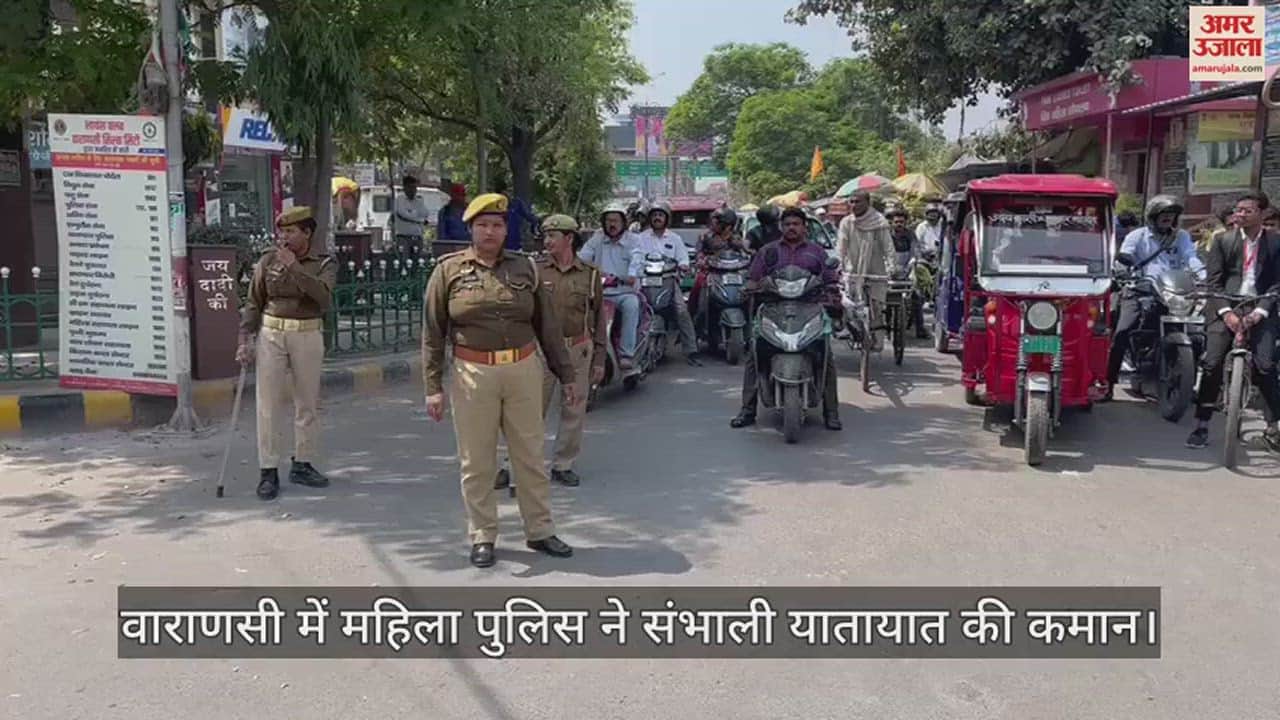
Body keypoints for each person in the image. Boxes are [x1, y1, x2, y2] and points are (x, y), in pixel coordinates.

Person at [422, 193, 577, 568]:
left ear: (506, 230)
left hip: (523, 369)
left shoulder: (526, 269)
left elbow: (548, 327)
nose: (490, 231)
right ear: (470, 228)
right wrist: (432, 388)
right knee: (477, 461)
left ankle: (539, 530)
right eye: (482, 225)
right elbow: (432, 331)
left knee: (530, 455)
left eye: (497, 225)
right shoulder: (448, 270)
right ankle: (482, 534)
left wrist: (566, 374)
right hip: (473, 372)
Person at [237, 206, 337, 501]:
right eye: (282, 231)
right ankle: (268, 470)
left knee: (307, 402)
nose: (285, 237)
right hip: (271, 333)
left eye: (291, 231)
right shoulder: (268, 260)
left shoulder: (324, 263)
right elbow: (254, 300)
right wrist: (245, 337)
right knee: (267, 403)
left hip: (306, 333)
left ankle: (303, 462)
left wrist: (294, 267)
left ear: (307, 233)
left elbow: (323, 298)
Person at [730, 206, 842, 431]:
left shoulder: (817, 252)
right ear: (781, 227)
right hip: (773, 307)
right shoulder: (769, 251)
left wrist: (832, 291)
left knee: (825, 355)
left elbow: (830, 277)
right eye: (787, 224)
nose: (791, 228)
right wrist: (750, 287)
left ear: (804, 227)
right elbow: (754, 277)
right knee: (755, 353)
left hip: (809, 307)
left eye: (796, 224)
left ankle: (831, 412)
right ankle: (747, 409)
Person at [1187, 191, 1280, 451]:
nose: (1240, 214)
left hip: (1261, 305)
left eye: (1247, 210)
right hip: (1225, 303)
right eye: (1238, 210)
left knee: (1266, 365)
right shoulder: (1223, 242)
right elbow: (1213, 282)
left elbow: (1276, 285)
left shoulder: (1275, 243)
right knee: (1212, 363)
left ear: (1262, 213)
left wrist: (1259, 313)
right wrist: (1226, 313)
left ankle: (1274, 426)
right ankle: (1201, 424)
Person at [1105, 195, 1206, 400]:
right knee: (1123, 331)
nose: (1168, 218)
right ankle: (1108, 382)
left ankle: (1187, 384)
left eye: (1171, 215)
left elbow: (1190, 258)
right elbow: (1125, 257)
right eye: (1163, 214)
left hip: (1174, 292)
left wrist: (1203, 276)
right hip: (1140, 289)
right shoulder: (1137, 236)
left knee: (1197, 335)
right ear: (1153, 216)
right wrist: (1124, 270)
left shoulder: (1182, 237)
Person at [532, 215, 606, 486]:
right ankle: (513, 463)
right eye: (545, 235)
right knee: (529, 409)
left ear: (569, 239)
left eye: (553, 236)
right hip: (542, 350)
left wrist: (599, 358)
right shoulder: (536, 270)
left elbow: (598, 319)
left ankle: (563, 463)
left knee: (574, 408)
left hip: (578, 348)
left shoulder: (590, 274)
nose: (547, 241)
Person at [634, 201, 702, 365]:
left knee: (682, 311)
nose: (657, 218)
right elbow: (635, 257)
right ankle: (630, 349)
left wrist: (684, 265)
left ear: (666, 218)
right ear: (650, 218)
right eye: (655, 215)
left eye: (661, 215)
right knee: (633, 308)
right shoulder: (640, 238)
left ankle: (691, 351)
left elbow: (683, 257)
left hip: (668, 280)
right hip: (645, 280)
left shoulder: (675, 238)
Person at [579, 202, 642, 369]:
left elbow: (637, 262)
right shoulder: (597, 239)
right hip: (599, 292)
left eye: (615, 220)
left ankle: (626, 354)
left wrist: (630, 276)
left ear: (623, 222)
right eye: (608, 220)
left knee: (632, 305)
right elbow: (583, 258)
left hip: (624, 292)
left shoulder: (634, 241)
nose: (611, 224)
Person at [837, 190, 898, 351]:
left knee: (877, 307)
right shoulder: (846, 222)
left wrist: (892, 267)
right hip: (853, 271)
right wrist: (839, 265)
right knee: (849, 304)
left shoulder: (879, 221)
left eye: (858, 202)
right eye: (851, 202)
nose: (854, 205)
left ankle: (877, 340)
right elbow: (841, 247)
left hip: (876, 271)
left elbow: (888, 247)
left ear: (867, 202)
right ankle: (852, 331)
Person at [689, 207, 745, 315]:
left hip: (732, 273)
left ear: (728, 225)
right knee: (698, 285)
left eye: (718, 222)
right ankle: (693, 315)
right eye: (714, 221)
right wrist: (701, 260)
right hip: (711, 272)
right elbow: (699, 252)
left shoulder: (736, 238)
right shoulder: (705, 236)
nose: (714, 224)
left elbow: (743, 254)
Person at [886, 207, 927, 339]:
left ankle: (920, 329)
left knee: (917, 297)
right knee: (882, 297)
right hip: (889, 269)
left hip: (907, 268)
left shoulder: (910, 235)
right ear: (892, 222)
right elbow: (883, 253)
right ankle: (884, 326)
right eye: (896, 221)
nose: (899, 224)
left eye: (902, 222)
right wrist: (889, 266)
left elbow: (915, 251)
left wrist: (914, 261)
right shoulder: (886, 235)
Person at [391, 174, 430, 255]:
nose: (413, 190)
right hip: (403, 238)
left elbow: (425, 213)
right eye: (411, 187)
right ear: (405, 187)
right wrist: (420, 220)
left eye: (415, 187)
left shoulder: (418, 200)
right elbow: (403, 214)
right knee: (404, 261)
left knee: (417, 261)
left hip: (417, 237)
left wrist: (413, 214)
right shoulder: (400, 200)